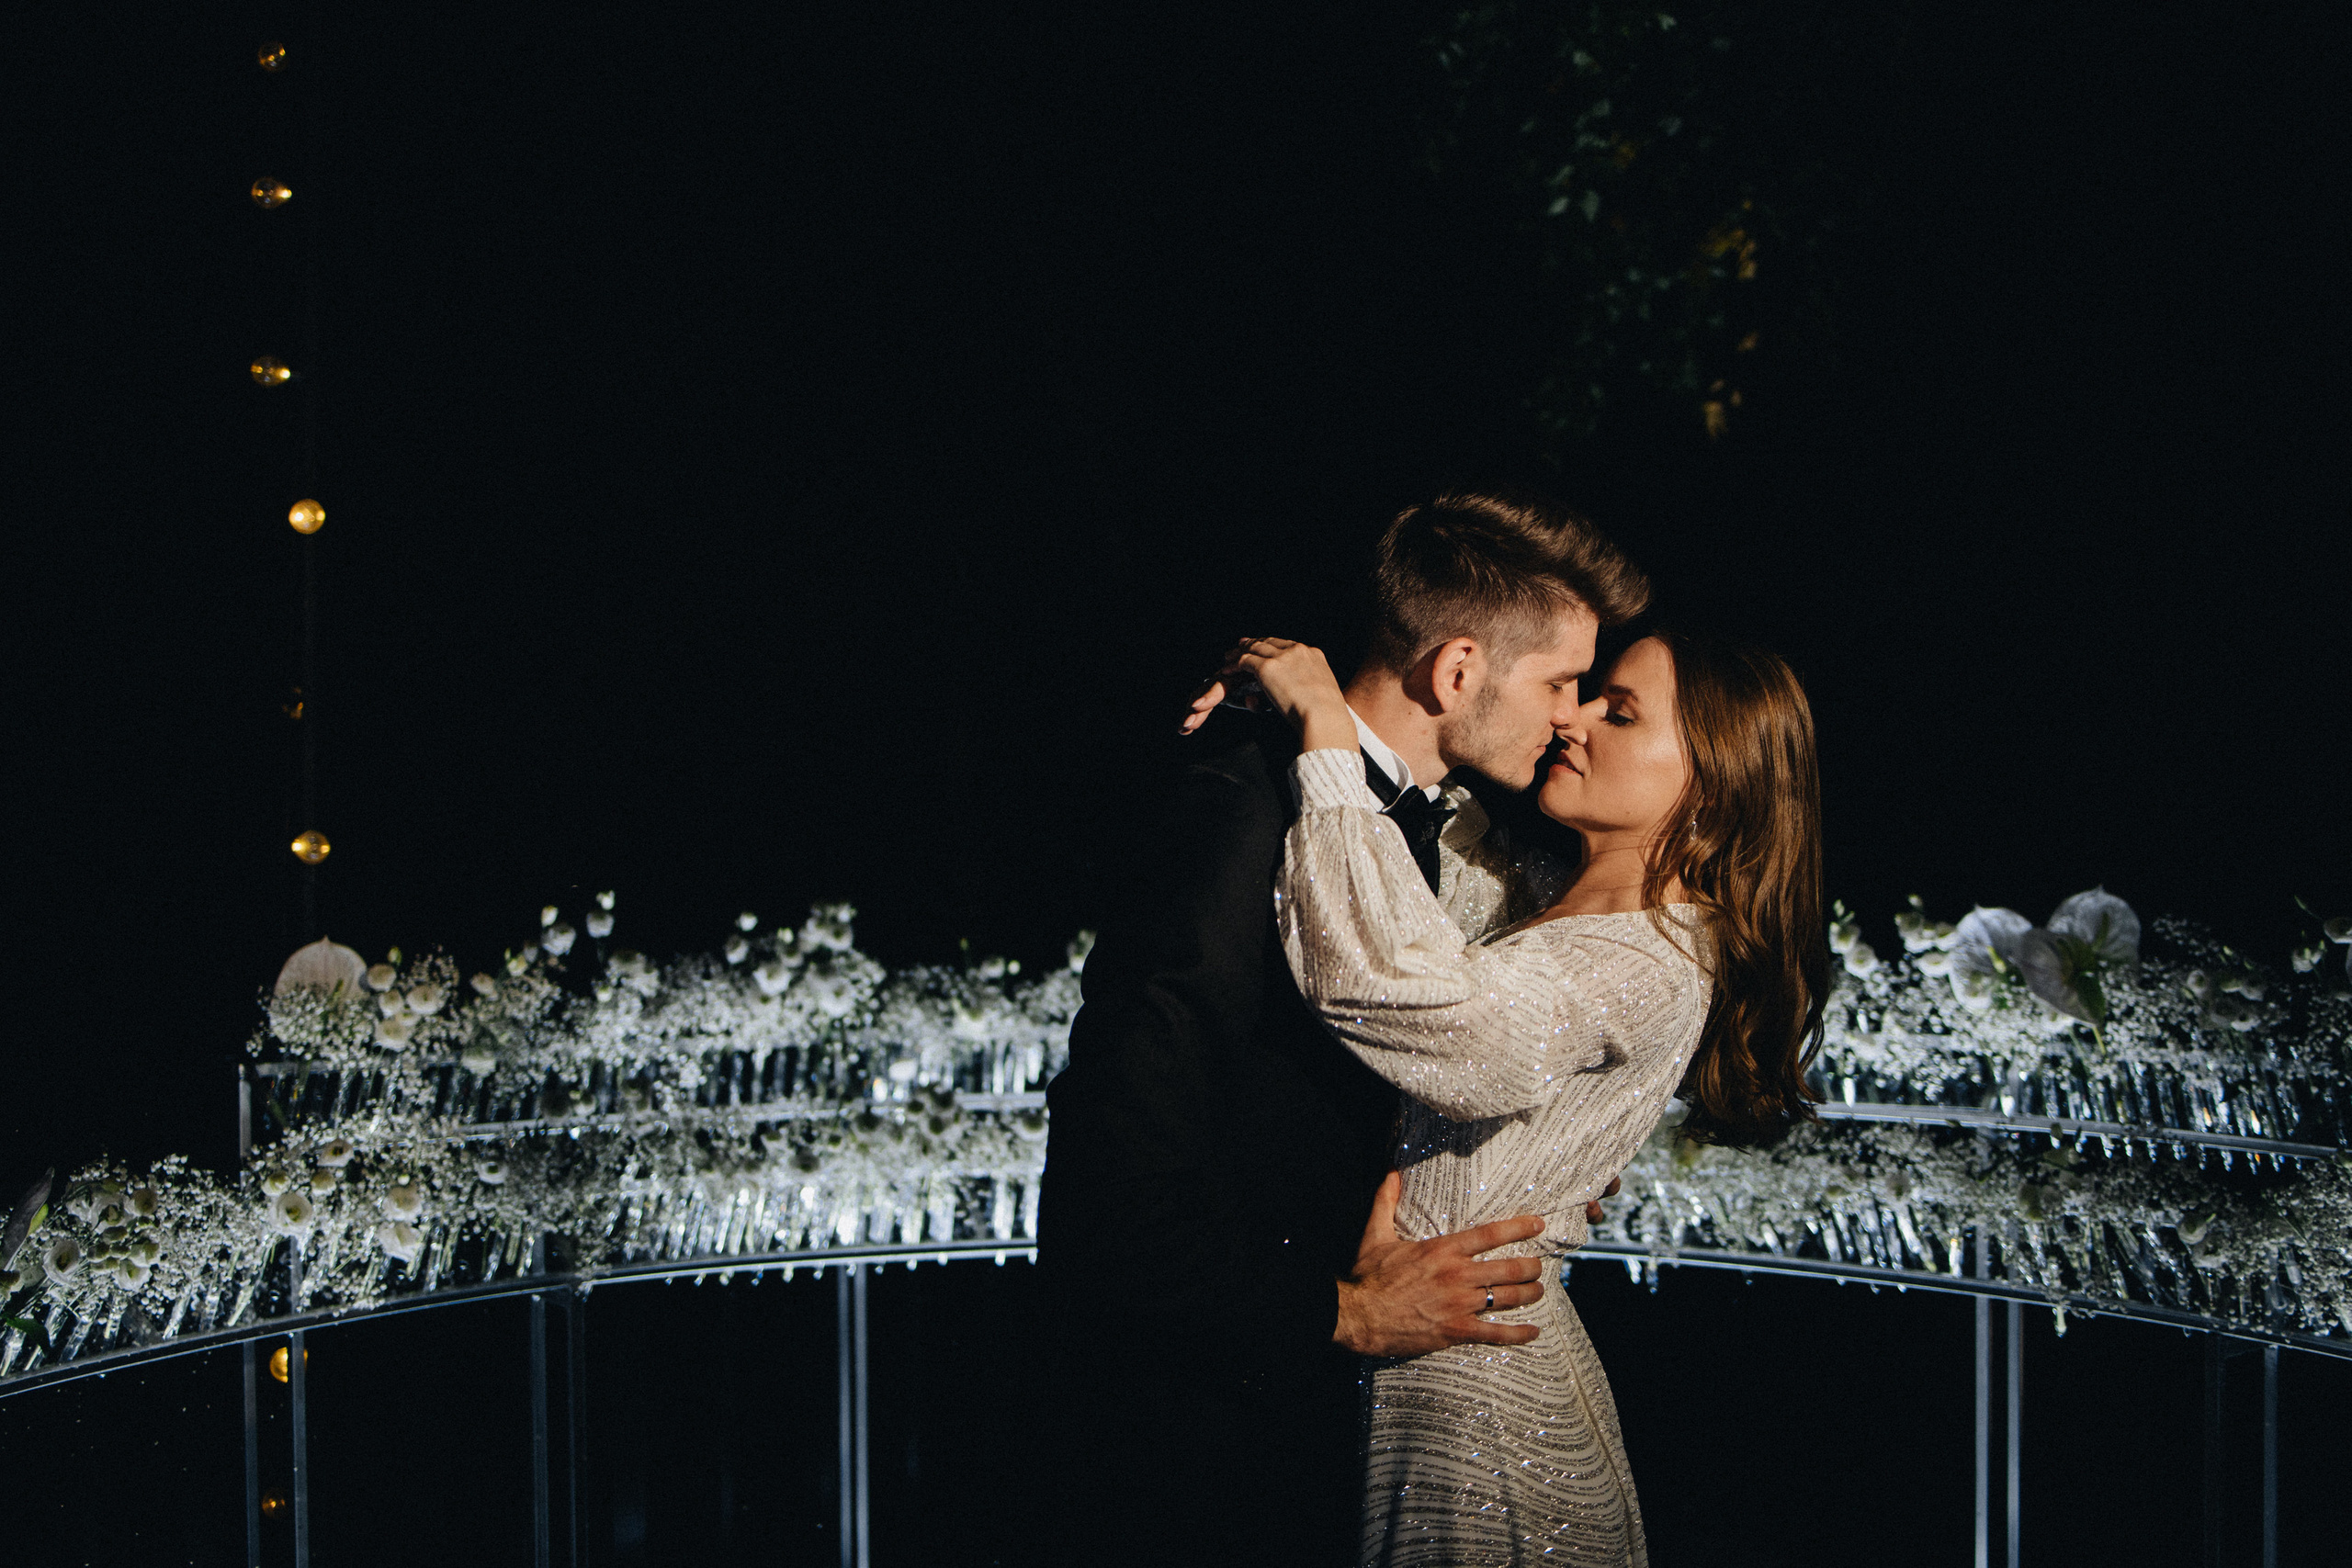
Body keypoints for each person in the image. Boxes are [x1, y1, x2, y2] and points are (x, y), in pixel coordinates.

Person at [1036, 491, 1652, 1567]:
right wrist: (1346, 1315)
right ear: (1456, 672)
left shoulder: (1447, 828)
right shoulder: (1240, 810)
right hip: (1217, 1458)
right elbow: (1111, 1197)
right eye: (1560, 683)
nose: (1570, 716)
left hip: (1338, 1444)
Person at [1226, 626, 1827, 1566]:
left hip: (1480, 1389)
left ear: (1711, 789)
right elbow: (1411, 860)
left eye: (1618, 712)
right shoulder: (1540, 888)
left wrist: (1321, 718)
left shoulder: (1650, 963)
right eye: (1583, 693)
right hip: (1448, 1348)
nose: (1573, 717)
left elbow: (1398, 988)